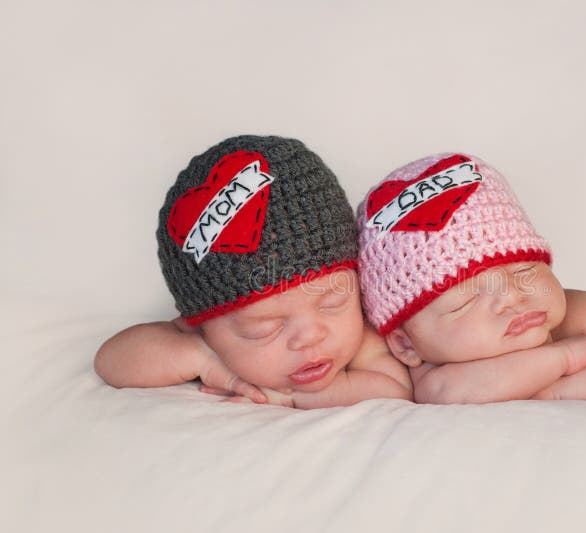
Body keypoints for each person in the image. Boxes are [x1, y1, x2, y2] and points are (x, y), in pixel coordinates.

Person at [94, 135, 412, 408]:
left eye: (333, 303)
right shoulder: (206, 342)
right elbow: (109, 361)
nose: (310, 336)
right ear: (202, 325)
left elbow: (394, 389)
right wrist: (202, 358)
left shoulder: (360, 342)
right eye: (264, 328)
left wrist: (292, 398)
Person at [357, 153, 586, 403]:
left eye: (525, 272)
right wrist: (564, 358)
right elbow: (453, 395)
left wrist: (551, 391)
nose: (512, 297)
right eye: (465, 300)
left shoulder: (582, 312)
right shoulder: (434, 371)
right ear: (406, 345)